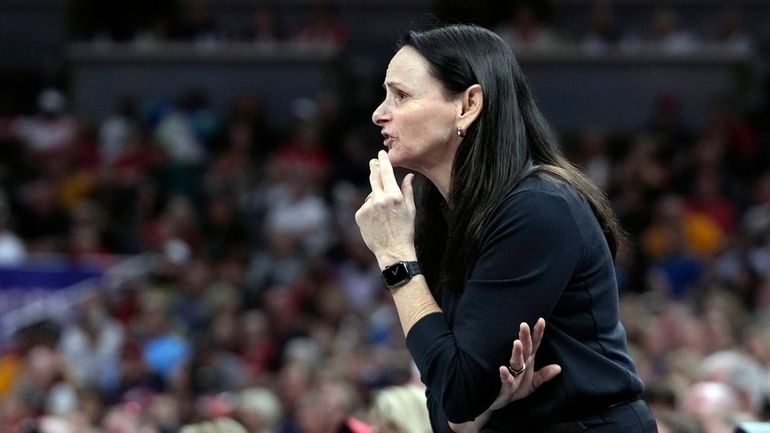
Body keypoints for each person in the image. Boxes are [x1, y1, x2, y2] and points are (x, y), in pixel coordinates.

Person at [354, 24, 657, 433]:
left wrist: (395, 258)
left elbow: (457, 395)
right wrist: (476, 410)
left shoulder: (538, 208)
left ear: (468, 104)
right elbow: (450, 411)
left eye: (401, 95)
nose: (379, 113)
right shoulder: (438, 213)